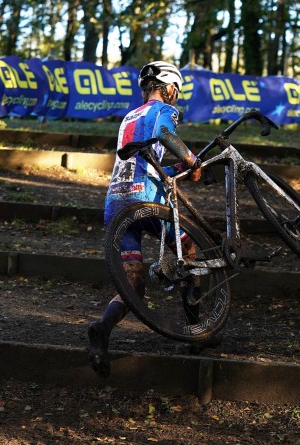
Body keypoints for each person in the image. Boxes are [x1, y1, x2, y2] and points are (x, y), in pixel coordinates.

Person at [87, 60, 203, 378]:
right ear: (167, 88)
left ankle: (102, 330)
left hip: (116, 203)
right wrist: (192, 160)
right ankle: (198, 330)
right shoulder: (163, 111)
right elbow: (167, 135)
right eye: (175, 90)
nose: (175, 96)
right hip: (145, 200)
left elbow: (148, 163)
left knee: (134, 283)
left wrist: (181, 170)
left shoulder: (129, 117)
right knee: (188, 251)